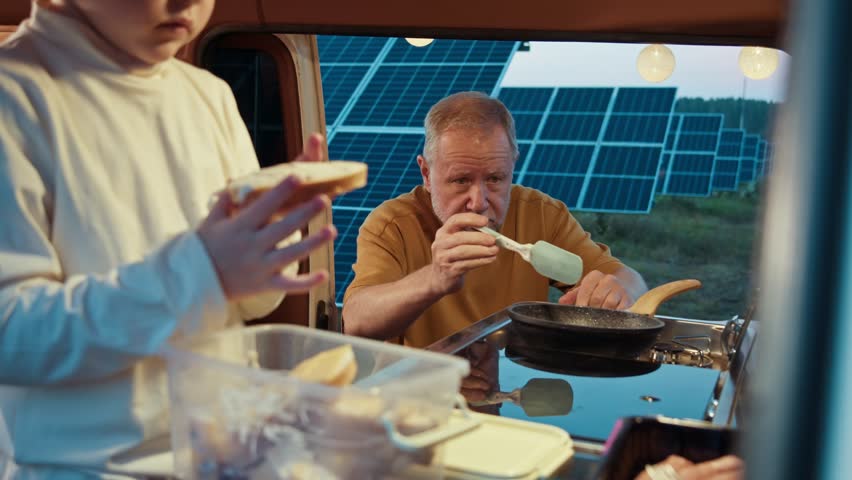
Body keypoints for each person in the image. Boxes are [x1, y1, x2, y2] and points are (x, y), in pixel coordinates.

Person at [0, 0, 336, 477]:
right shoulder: (14, 97)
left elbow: (247, 305)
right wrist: (203, 272)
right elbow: (11, 334)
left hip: (222, 454)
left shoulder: (209, 96)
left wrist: (263, 247)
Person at [343, 91, 648, 347]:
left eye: (495, 179)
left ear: (512, 166)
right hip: (426, 395)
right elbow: (356, 321)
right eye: (461, 180)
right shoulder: (392, 225)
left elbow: (631, 280)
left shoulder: (542, 213)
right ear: (426, 173)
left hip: (512, 388)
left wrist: (619, 292)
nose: (478, 202)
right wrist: (435, 279)